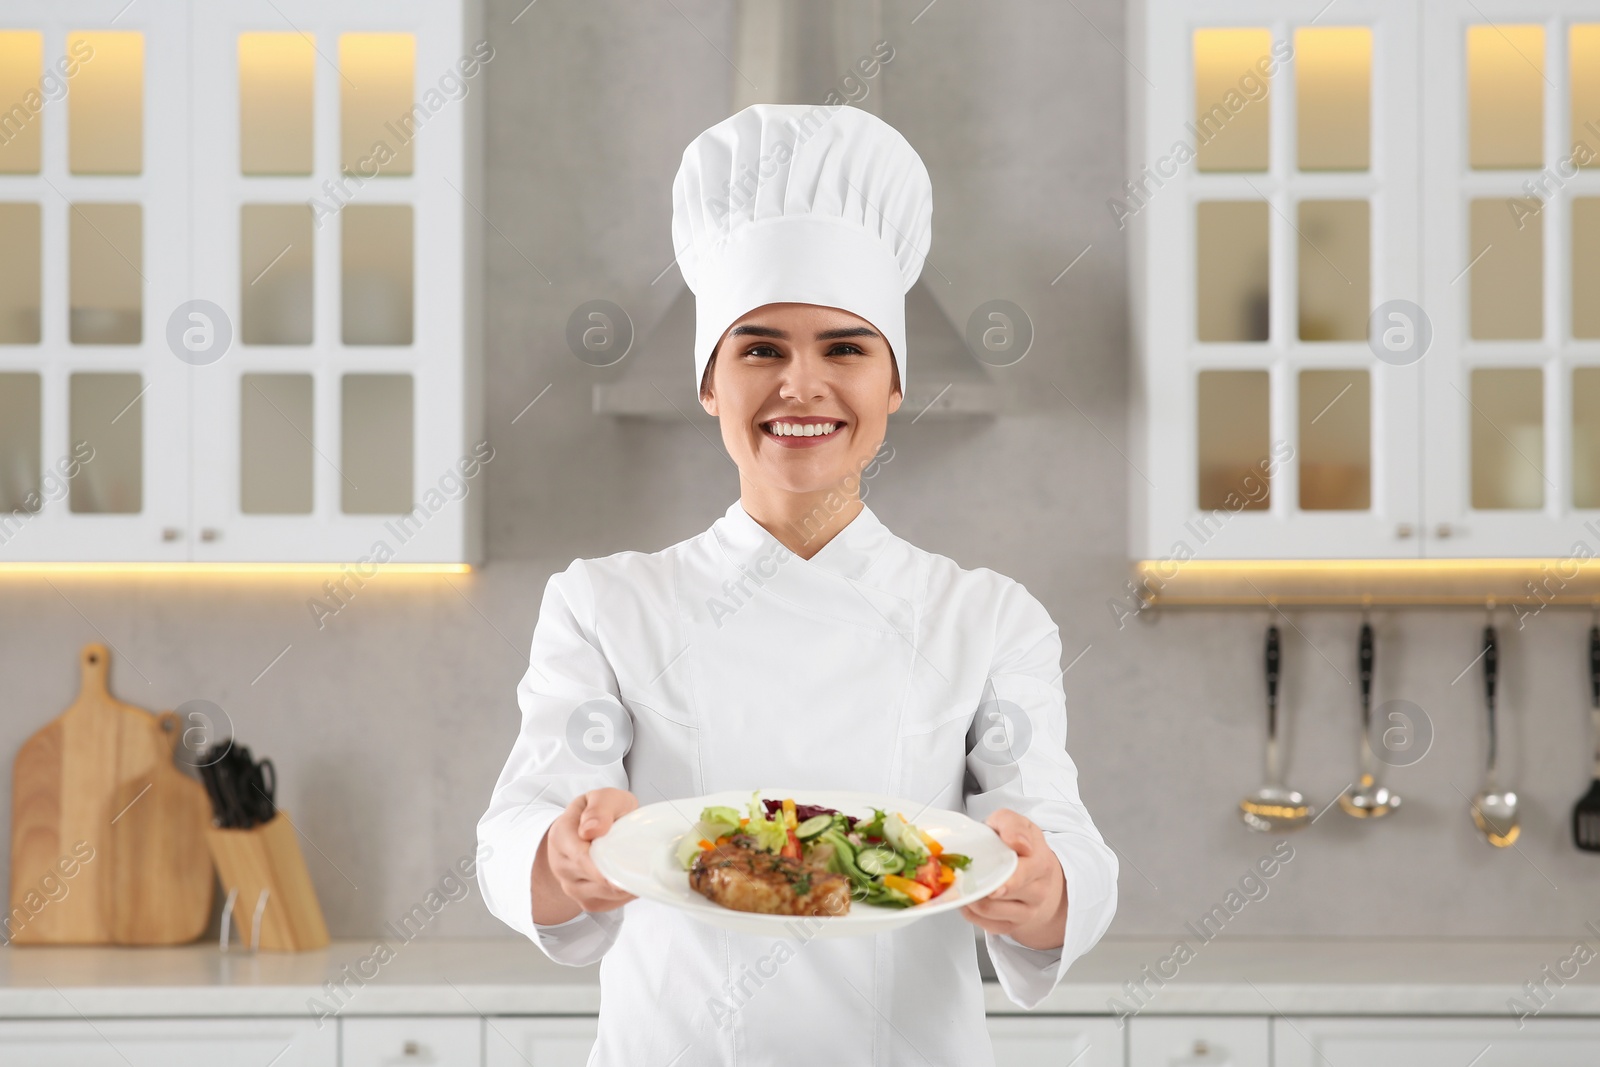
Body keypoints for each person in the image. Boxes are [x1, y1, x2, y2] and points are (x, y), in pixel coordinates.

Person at [477, 103, 1116, 1066]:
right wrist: (563, 856)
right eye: (761, 348)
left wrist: (1044, 886)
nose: (801, 386)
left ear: (894, 384)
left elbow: (1055, 835)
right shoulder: (607, 604)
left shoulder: (987, 618)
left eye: (845, 349)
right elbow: (518, 832)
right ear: (709, 381)